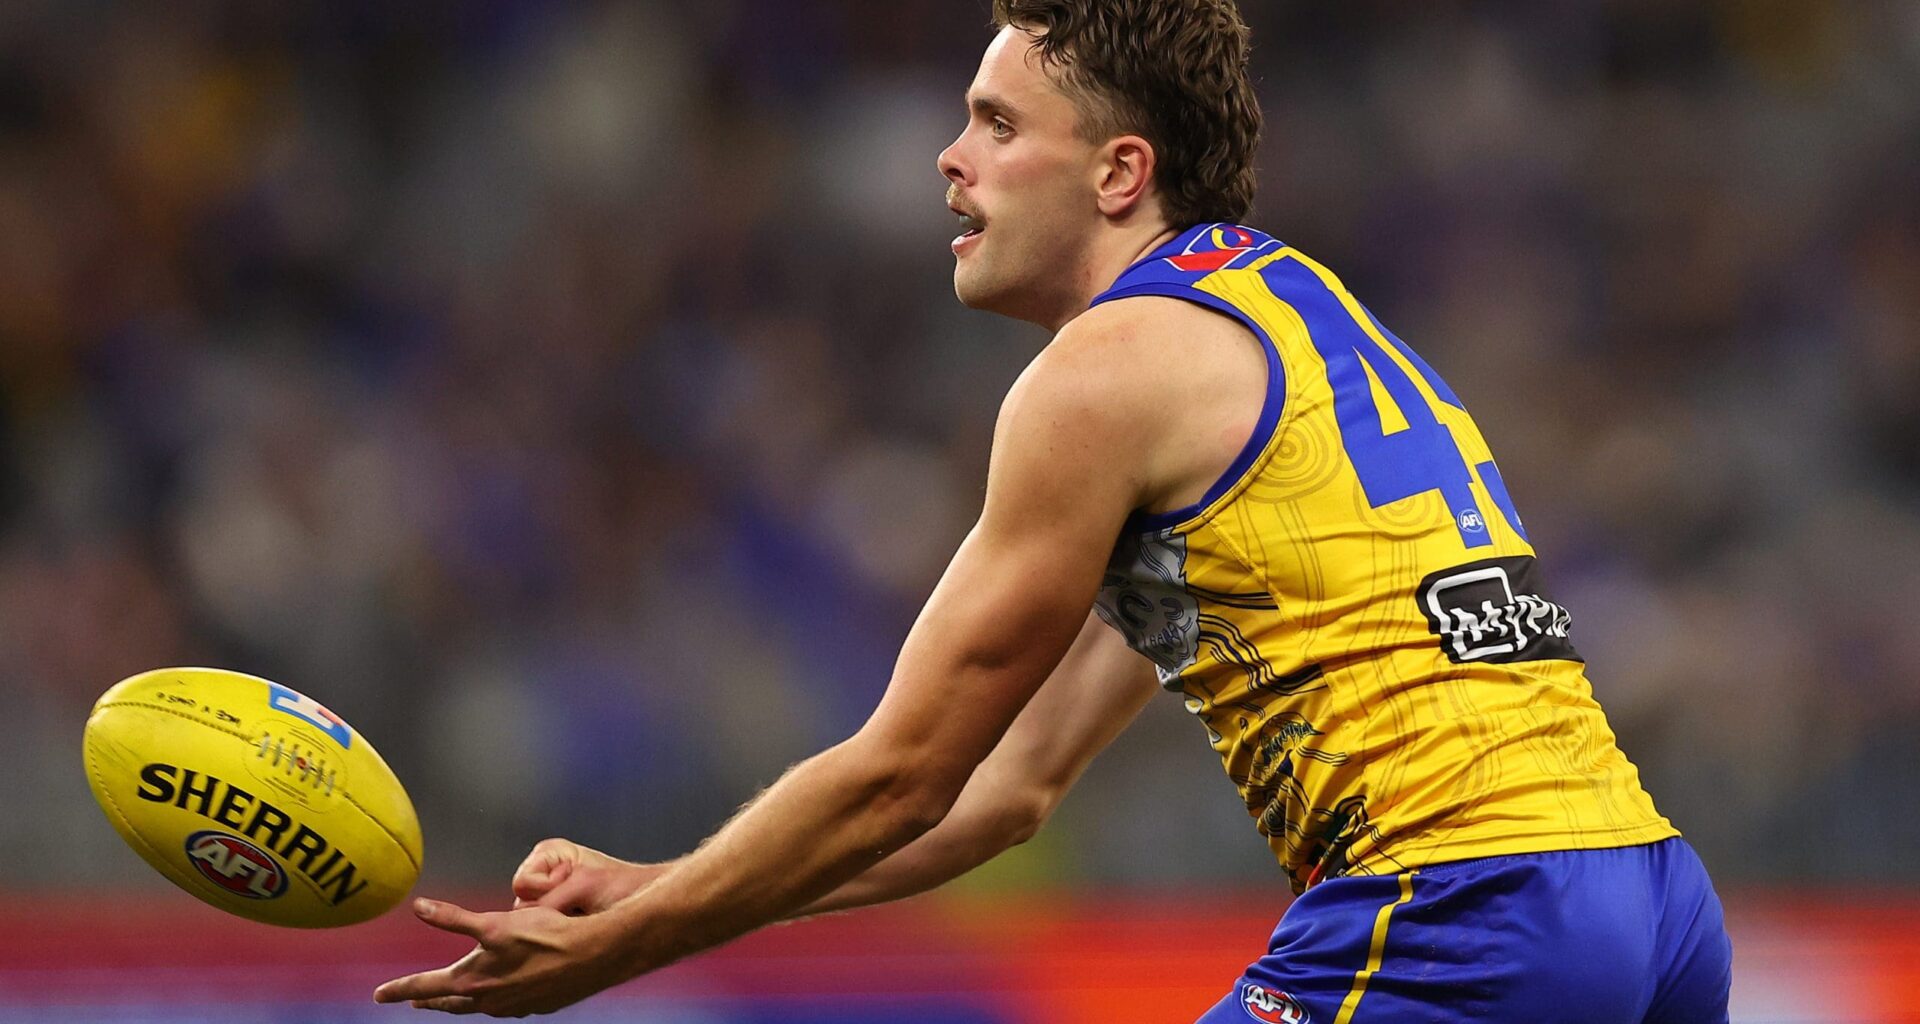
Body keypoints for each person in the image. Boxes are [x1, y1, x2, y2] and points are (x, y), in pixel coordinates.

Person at [375, 1, 1734, 1018]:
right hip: (1650, 897)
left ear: (1120, 173)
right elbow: (1004, 794)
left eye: (998, 123)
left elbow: (904, 773)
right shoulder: (1296, 314)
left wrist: (625, 949)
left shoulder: (1105, 374)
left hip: (1465, 905)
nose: (950, 159)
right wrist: (665, 887)